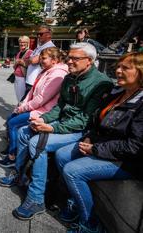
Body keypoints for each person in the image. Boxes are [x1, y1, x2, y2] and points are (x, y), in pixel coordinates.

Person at [0, 43, 114, 221]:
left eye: (75, 58)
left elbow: (85, 119)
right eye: (69, 57)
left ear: (89, 61)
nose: (70, 61)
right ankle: (19, 175)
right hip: (63, 123)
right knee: (23, 132)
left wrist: (52, 127)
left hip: (80, 131)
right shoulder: (70, 76)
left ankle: (36, 199)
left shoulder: (100, 83)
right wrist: (43, 120)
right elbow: (60, 107)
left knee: (38, 143)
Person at [55, 52, 143, 233]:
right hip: (102, 146)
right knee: (62, 155)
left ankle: (90, 225)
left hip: (128, 161)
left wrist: (96, 149)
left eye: (125, 68)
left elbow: (135, 146)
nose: (118, 71)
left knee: (72, 172)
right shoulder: (119, 93)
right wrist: (90, 137)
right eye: (118, 67)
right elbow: (99, 122)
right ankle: (74, 201)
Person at [0, 47, 68, 168]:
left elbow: (42, 98)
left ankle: (12, 156)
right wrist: (23, 104)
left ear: (54, 60)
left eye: (44, 58)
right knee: (11, 119)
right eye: (40, 57)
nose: (41, 60)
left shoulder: (58, 74)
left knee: (13, 123)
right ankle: (11, 147)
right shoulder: (46, 70)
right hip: (34, 107)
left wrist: (23, 108)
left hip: (44, 111)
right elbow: (32, 92)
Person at [24, 26, 56, 99]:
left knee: (25, 104)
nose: (38, 36)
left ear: (49, 35)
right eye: (37, 34)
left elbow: (33, 61)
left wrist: (30, 60)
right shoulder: (40, 46)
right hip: (30, 80)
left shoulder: (49, 47)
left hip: (36, 81)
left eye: (41, 34)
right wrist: (30, 60)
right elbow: (29, 59)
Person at [13, 36, 33, 102]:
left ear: (28, 43)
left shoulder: (30, 52)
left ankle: (20, 110)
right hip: (16, 76)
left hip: (23, 77)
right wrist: (17, 63)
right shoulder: (19, 53)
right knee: (18, 96)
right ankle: (19, 108)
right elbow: (14, 65)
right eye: (20, 42)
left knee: (22, 97)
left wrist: (20, 62)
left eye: (24, 42)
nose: (22, 44)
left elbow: (31, 65)